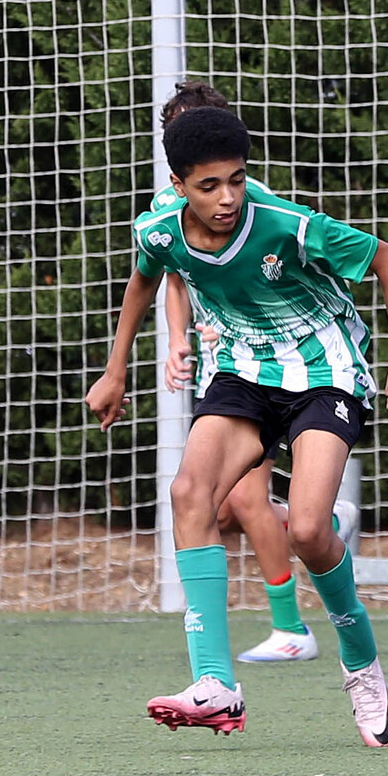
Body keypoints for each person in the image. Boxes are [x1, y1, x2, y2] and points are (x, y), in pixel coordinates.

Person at [85, 106, 388, 742]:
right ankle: (215, 684)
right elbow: (143, 282)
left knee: (307, 530)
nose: (227, 197)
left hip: (324, 371)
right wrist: (115, 371)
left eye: (237, 180)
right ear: (179, 184)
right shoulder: (158, 229)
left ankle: (361, 663)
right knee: (190, 494)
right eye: (210, 185)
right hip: (243, 371)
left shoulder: (283, 224)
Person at [153, 80, 360, 664]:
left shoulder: (253, 204)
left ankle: (292, 624)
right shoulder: (170, 211)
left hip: (278, 363)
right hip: (227, 365)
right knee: (214, 507)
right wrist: (177, 340)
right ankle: (315, 526)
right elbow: (169, 275)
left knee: (244, 500)